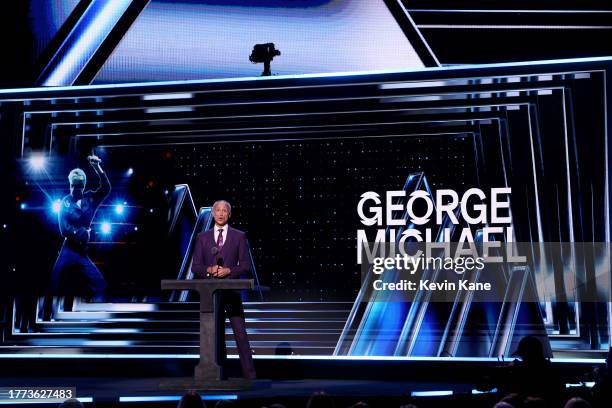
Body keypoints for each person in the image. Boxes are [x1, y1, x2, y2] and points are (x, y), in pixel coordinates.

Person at [191, 200, 256, 379]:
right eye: (217, 210)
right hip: (211, 295)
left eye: (224, 211)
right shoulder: (202, 237)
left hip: (232, 292)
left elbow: (245, 265)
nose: (220, 213)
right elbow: (195, 266)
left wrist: (229, 270)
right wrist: (209, 270)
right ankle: (219, 375)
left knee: (240, 335)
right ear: (212, 213)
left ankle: (250, 377)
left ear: (229, 214)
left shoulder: (239, 236)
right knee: (216, 336)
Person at [50, 155, 111, 301]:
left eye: (77, 185)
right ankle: (44, 314)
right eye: (72, 185)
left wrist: (97, 168)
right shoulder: (65, 202)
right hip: (68, 250)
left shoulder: (90, 199)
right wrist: (83, 232)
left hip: (82, 252)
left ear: (83, 186)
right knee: (53, 283)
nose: (74, 188)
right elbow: (64, 229)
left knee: (100, 284)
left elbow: (106, 188)